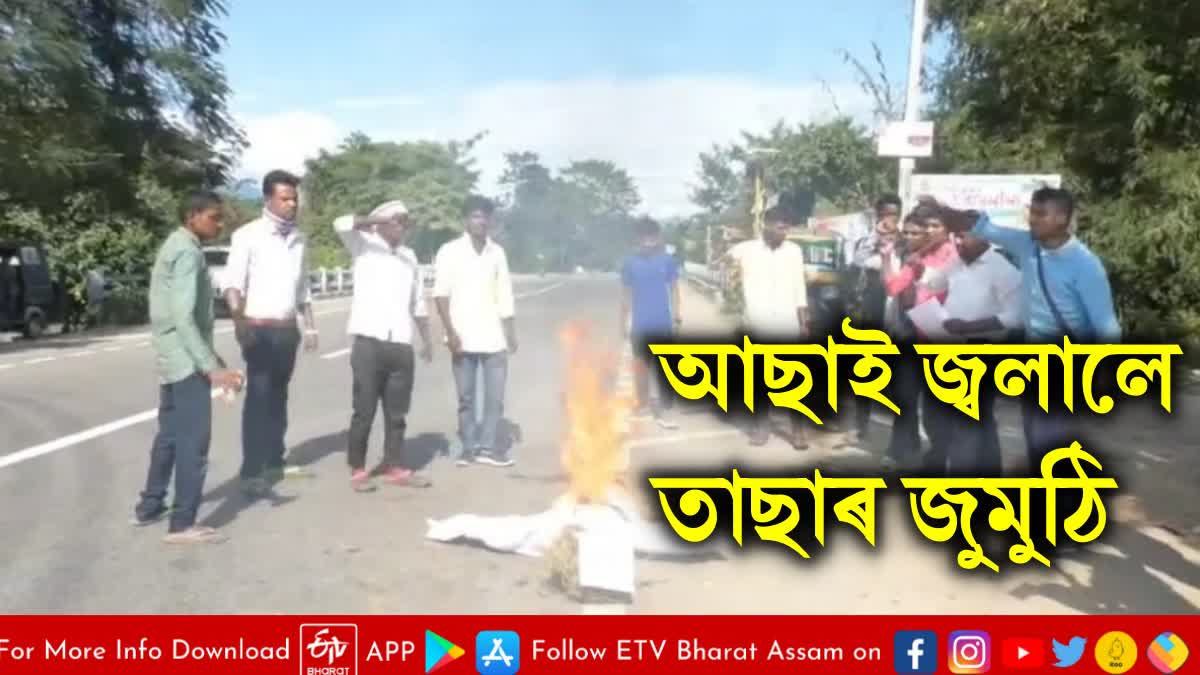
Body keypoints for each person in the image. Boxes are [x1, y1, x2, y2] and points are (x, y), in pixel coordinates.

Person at [919, 187, 1121, 470]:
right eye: (1032, 212)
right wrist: (941, 208)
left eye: (1041, 214)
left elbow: (1106, 326)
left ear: (1062, 218)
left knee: (1048, 441)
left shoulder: (1085, 266)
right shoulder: (1028, 245)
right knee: (1036, 437)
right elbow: (981, 226)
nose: (1033, 220)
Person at [133, 191, 243, 543]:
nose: (219, 223)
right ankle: (182, 524)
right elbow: (183, 315)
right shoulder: (186, 251)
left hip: (173, 356)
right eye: (214, 216)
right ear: (193, 215)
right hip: (185, 361)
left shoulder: (176, 244)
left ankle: (150, 507)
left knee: (168, 436)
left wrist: (214, 359)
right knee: (193, 444)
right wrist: (210, 368)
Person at [222, 170, 318, 497]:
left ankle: (275, 462)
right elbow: (233, 285)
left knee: (279, 395)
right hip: (258, 330)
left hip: (287, 329)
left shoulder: (299, 239)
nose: (292, 204)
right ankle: (250, 471)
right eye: (285, 198)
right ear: (268, 200)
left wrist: (311, 326)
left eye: (294, 198)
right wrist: (240, 325)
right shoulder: (247, 236)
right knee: (259, 398)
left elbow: (303, 288)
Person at [333, 201, 435, 492]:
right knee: (364, 410)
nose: (402, 227)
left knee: (397, 412)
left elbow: (417, 301)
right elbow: (341, 221)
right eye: (397, 221)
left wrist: (426, 339)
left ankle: (393, 464)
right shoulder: (363, 244)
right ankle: (358, 468)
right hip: (368, 342)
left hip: (401, 343)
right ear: (381, 222)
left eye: (405, 222)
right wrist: (376, 220)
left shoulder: (409, 256)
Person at [926, 230, 1022, 476]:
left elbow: (1016, 316)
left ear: (984, 237)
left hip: (982, 350)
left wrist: (970, 326)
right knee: (979, 419)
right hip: (951, 347)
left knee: (965, 422)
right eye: (956, 237)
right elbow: (933, 283)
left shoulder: (1003, 269)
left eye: (965, 237)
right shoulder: (957, 263)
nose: (959, 242)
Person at [433, 196, 518, 468]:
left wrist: (511, 332)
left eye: (484, 217)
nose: (480, 221)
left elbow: (504, 294)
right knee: (466, 398)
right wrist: (450, 332)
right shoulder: (449, 251)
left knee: (495, 398)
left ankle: (489, 448)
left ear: (490, 221)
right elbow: (441, 296)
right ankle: (469, 448)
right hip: (463, 337)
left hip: (494, 336)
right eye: (475, 216)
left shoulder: (497, 253)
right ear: (465, 221)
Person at [726, 204, 810, 449]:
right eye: (779, 225)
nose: (783, 230)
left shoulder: (794, 251)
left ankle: (798, 432)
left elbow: (799, 288)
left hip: (788, 322)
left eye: (787, 226)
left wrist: (804, 322)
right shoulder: (746, 250)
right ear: (766, 224)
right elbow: (721, 262)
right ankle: (761, 427)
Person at [848, 194, 903, 442]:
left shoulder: (907, 239)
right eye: (884, 214)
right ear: (877, 214)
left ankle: (899, 433)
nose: (888, 220)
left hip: (900, 310)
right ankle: (861, 424)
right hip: (872, 307)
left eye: (893, 215)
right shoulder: (866, 239)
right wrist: (875, 236)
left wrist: (897, 237)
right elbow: (856, 260)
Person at [621, 218, 682, 428]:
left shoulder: (667, 261)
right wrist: (624, 322)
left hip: (662, 322)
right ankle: (643, 403)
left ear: (658, 238)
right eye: (644, 236)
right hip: (639, 323)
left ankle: (666, 408)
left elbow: (674, 288)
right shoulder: (629, 263)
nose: (648, 240)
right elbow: (626, 294)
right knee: (641, 367)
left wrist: (677, 315)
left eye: (652, 236)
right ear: (637, 238)